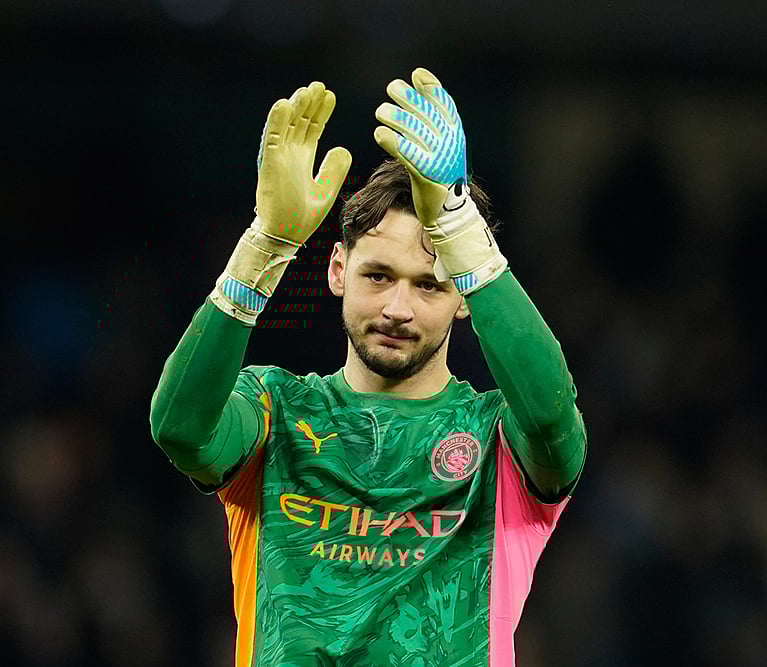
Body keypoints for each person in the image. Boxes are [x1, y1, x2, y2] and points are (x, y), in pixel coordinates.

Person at [150, 67, 587, 667]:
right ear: (337, 271)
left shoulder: (497, 440)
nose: (398, 308)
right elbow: (178, 426)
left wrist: (462, 233)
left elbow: (552, 416)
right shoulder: (274, 411)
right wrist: (263, 247)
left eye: (430, 286)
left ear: (463, 297)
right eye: (377, 276)